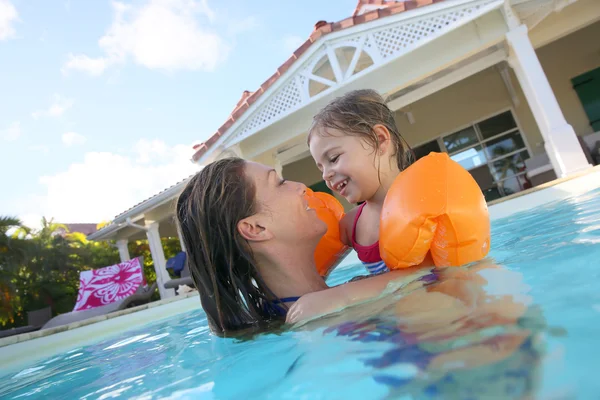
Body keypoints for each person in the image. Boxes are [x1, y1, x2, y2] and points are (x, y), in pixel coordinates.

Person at [175, 157, 428, 337]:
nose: (301, 187)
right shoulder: (317, 317)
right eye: (280, 182)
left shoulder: (322, 302)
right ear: (256, 229)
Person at [308, 89, 433, 275]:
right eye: (321, 168)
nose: (326, 175)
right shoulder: (350, 226)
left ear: (379, 139)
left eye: (333, 159)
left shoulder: (426, 202)